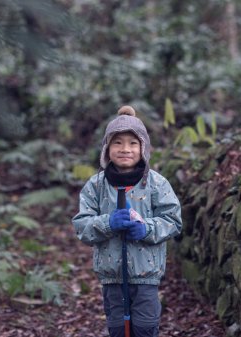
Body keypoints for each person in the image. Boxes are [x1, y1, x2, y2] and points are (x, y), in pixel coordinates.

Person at [72, 105, 182, 337]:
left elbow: (172, 220)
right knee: (119, 329)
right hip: (112, 277)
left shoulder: (156, 183)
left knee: (144, 327)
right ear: (106, 148)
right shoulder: (96, 185)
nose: (125, 149)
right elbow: (82, 225)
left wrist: (146, 229)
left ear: (144, 148)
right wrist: (108, 223)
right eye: (117, 143)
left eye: (133, 143)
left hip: (146, 275)